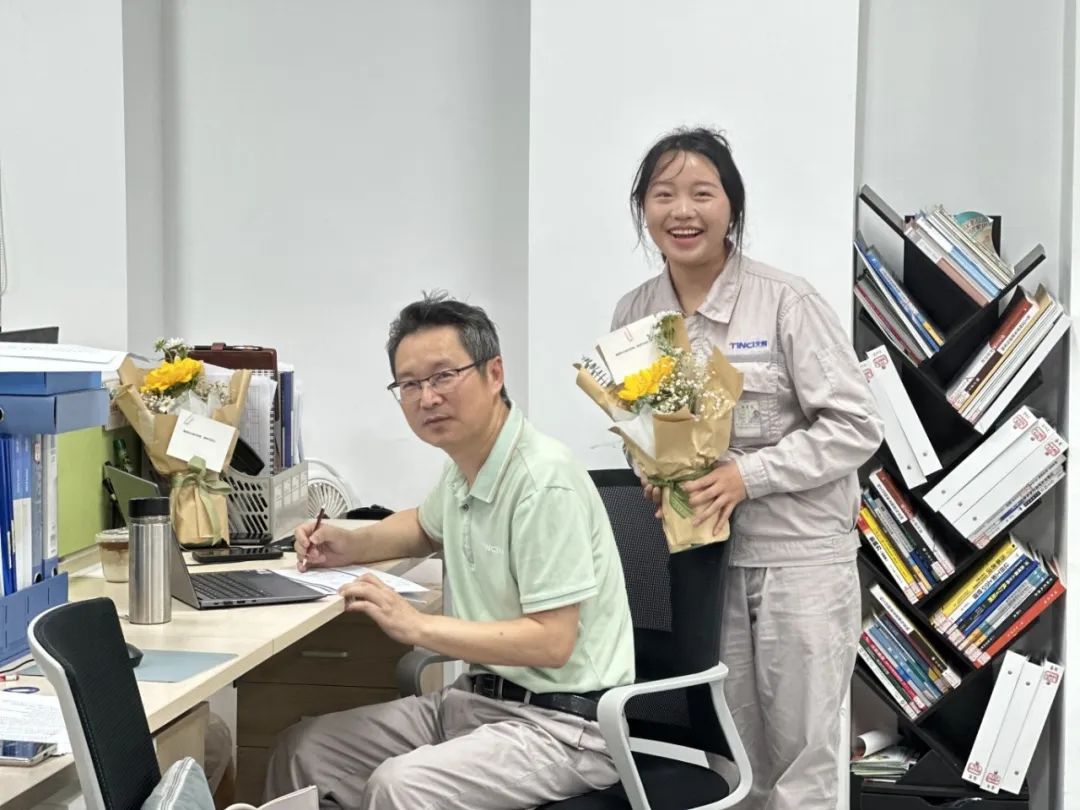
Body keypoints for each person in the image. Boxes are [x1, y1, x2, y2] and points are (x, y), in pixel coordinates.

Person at [265, 293, 636, 810]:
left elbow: (552, 641)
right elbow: (423, 525)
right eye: (409, 384)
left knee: (400, 785)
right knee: (304, 750)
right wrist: (348, 543)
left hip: (562, 728)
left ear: (494, 373)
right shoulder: (466, 466)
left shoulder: (541, 480)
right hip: (474, 703)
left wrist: (418, 627)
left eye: (443, 376)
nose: (427, 398)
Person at [611, 127, 883, 810]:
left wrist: (746, 477)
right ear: (643, 209)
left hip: (799, 560)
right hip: (703, 562)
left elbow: (857, 426)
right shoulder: (635, 313)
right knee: (730, 759)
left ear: (732, 206)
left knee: (802, 762)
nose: (683, 211)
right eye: (664, 194)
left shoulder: (786, 301)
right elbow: (640, 429)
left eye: (702, 193)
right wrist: (653, 472)